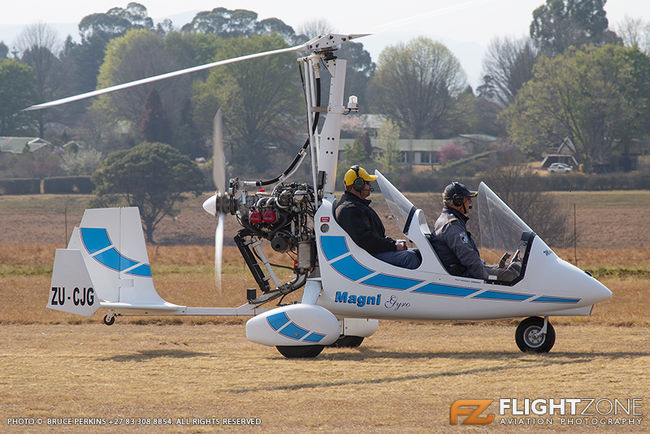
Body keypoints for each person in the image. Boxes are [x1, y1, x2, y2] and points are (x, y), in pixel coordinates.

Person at [335, 165, 420, 269]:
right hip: (368, 256)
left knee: (417, 253)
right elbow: (367, 241)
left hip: (371, 251)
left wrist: (392, 242)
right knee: (409, 257)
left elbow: (373, 237)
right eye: (367, 182)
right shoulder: (349, 209)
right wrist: (394, 246)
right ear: (358, 185)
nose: (370, 185)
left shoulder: (357, 205)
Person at [431, 182, 518, 281]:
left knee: (513, 268)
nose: (470, 202)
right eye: (468, 199)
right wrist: (487, 278)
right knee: (510, 276)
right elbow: (468, 257)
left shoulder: (449, 220)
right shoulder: (452, 226)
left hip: (462, 271)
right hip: (461, 276)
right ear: (458, 202)